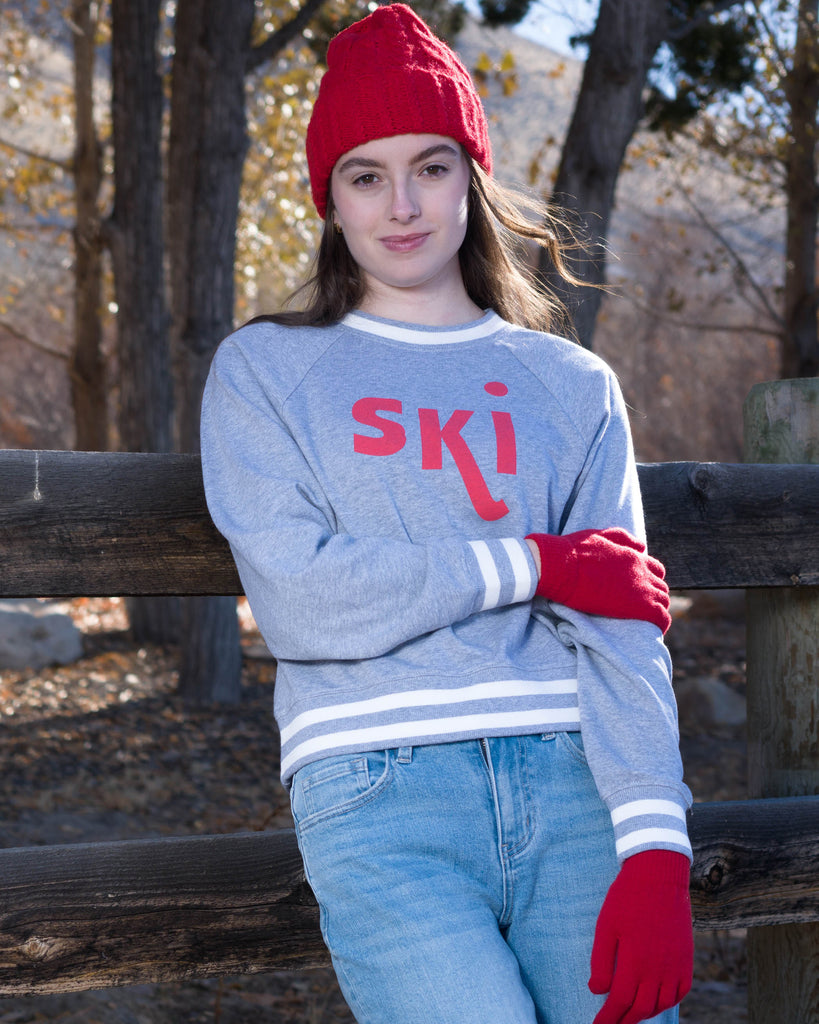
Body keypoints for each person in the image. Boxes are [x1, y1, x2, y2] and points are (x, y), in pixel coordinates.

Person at [200, 5, 694, 1023]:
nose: (403, 204)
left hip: (576, 786)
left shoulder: (571, 382)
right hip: (379, 799)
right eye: (365, 174)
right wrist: (534, 564)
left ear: (472, 171)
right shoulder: (266, 371)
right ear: (328, 197)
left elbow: (624, 620)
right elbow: (301, 596)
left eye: (430, 164)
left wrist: (654, 844)